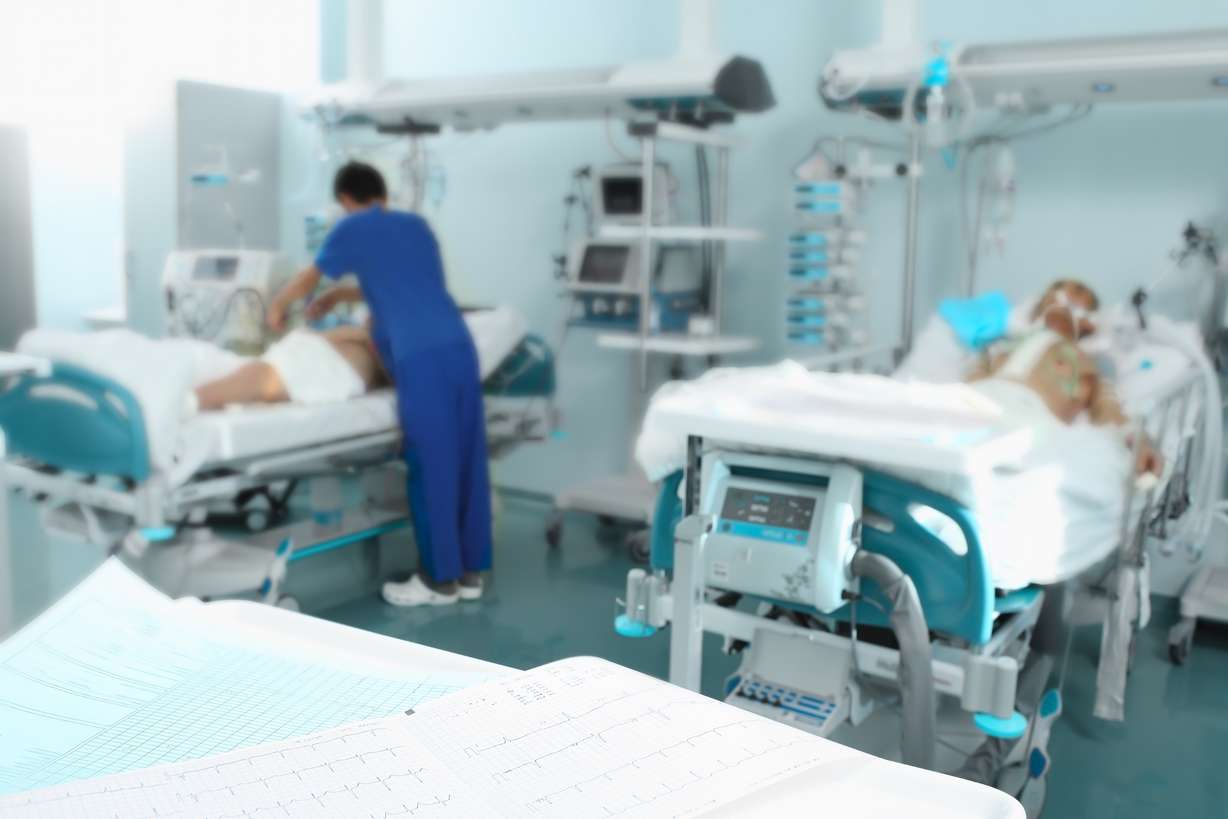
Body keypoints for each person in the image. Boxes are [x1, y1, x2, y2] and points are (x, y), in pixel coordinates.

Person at [265, 161, 491, 607]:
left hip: (419, 356)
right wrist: (343, 296)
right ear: (381, 194)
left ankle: (436, 581)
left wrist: (277, 308)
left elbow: (308, 277)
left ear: (347, 201)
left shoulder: (351, 228)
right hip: (458, 348)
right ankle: (468, 575)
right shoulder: (417, 226)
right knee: (466, 461)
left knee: (432, 464)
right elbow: (407, 283)